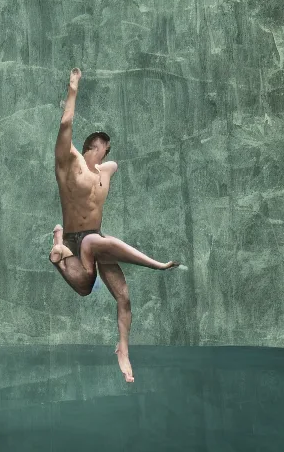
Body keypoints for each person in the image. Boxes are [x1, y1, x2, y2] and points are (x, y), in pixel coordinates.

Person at [49, 68, 184, 383]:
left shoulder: (105, 171)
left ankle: (123, 349)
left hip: (96, 238)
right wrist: (73, 88)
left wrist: (108, 163)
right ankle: (152, 264)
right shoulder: (68, 162)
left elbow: (112, 165)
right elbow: (66, 123)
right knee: (85, 282)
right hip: (77, 239)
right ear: (95, 145)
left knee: (124, 297)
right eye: (105, 150)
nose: (109, 156)